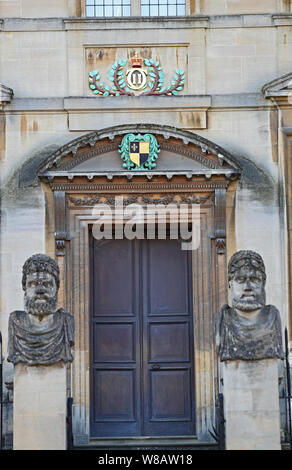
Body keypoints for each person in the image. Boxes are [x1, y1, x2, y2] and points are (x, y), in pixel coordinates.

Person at [215, 250, 284, 361]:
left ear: (263, 283)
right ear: (230, 283)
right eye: (241, 280)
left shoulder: (274, 316)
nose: (247, 287)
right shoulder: (222, 321)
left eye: (254, 280)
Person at [7, 254, 74, 365]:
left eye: (47, 284)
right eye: (33, 284)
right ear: (25, 288)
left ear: (56, 288)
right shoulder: (15, 321)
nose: (40, 290)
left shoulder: (66, 322)